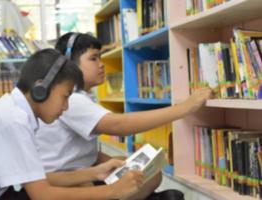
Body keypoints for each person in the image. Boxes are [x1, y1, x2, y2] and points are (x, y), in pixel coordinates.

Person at [36, 33, 213, 200]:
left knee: (140, 170)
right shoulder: (72, 99)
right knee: (144, 177)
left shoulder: (79, 96)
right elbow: (118, 125)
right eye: (93, 58)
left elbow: (76, 149)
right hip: (61, 178)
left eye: (100, 57)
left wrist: (120, 162)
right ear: (70, 64)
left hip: (71, 171)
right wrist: (185, 108)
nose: (101, 64)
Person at [0, 48, 143, 200]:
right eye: (65, 96)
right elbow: (42, 194)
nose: (65, 107)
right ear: (41, 89)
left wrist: (95, 172)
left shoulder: (15, 112)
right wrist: (114, 191)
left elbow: (36, 178)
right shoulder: (13, 120)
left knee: (81, 186)